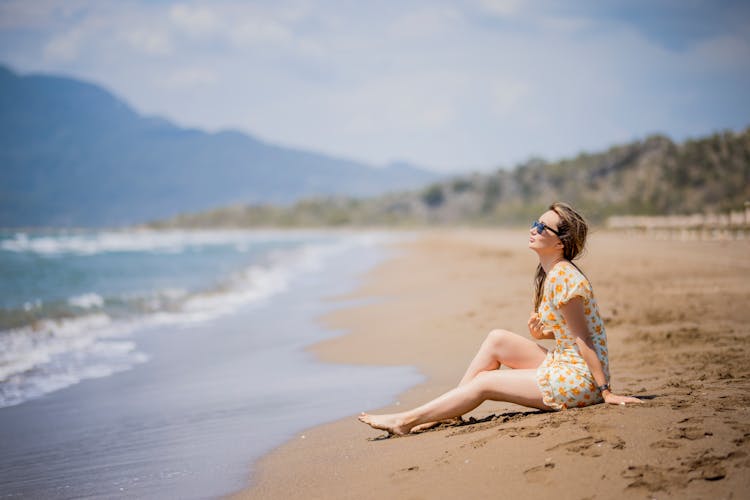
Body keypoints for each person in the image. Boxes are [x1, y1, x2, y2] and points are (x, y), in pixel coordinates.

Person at [358, 202, 642, 436]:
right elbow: (572, 332)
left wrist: (606, 392)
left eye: (543, 227)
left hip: (580, 381)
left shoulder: (563, 275)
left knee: (485, 381)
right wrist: (545, 335)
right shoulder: (553, 273)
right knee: (497, 339)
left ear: (560, 242)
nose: (534, 229)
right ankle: (449, 411)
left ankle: (406, 421)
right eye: (535, 222)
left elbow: (585, 338)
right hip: (566, 363)